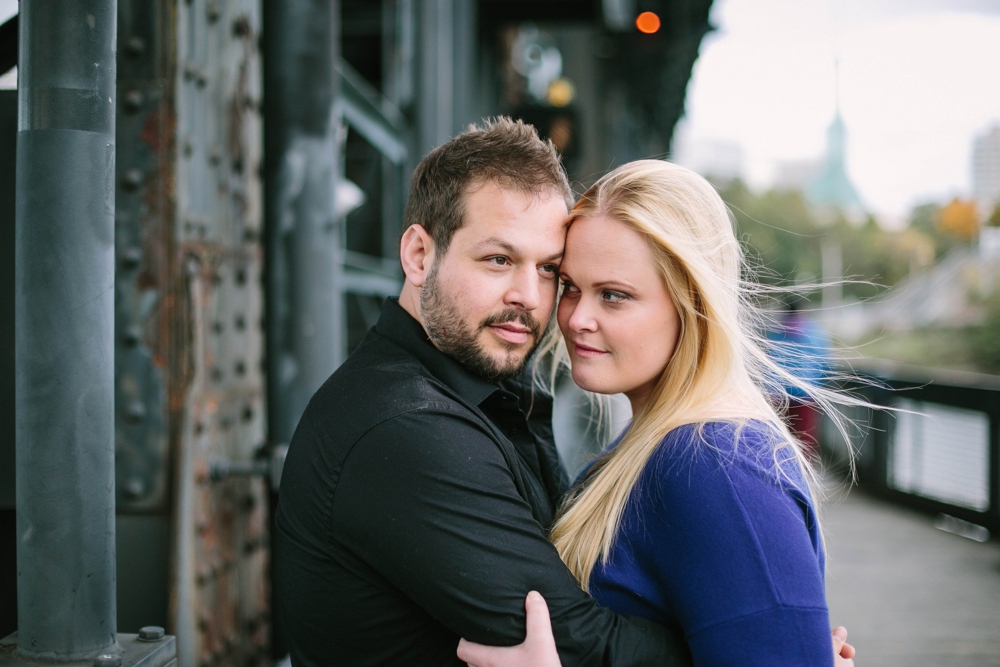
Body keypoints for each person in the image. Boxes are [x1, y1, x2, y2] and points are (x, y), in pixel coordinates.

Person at [273, 119, 689, 666]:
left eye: (548, 271)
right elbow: (582, 646)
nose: (528, 297)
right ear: (420, 256)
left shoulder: (484, 390)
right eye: (499, 259)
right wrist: (764, 649)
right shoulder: (404, 428)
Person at [458, 160, 857, 666]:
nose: (577, 318)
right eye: (572, 287)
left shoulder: (720, 467)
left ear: (694, 304)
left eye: (614, 296)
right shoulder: (657, 446)